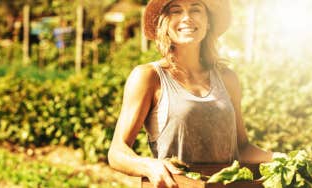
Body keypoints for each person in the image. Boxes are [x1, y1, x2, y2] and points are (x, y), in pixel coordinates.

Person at [108, 0, 273, 187]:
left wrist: (280, 158)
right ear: (164, 23)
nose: (186, 18)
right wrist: (149, 166)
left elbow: (242, 148)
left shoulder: (227, 78)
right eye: (176, 11)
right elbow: (116, 152)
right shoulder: (149, 77)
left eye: (196, 10)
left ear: (208, 21)